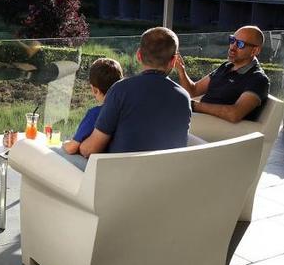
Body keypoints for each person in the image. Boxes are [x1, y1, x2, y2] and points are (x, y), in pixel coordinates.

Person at [79, 27, 191, 157]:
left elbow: (91, 149)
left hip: (119, 174)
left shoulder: (120, 90)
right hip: (164, 175)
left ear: (138, 55)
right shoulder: (183, 98)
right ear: (173, 61)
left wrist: (78, 146)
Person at [175, 25, 269, 123]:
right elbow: (193, 91)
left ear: (255, 51)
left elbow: (235, 114)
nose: (233, 47)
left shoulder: (258, 79)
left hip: (217, 127)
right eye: (232, 40)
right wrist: (181, 70)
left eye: (240, 44)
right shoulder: (226, 66)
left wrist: (193, 105)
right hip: (199, 120)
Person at [60, 58, 123, 169]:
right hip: (114, 166)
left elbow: (71, 148)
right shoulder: (124, 112)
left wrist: (63, 144)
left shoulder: (95, 114)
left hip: (93, 169)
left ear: (94, 90)